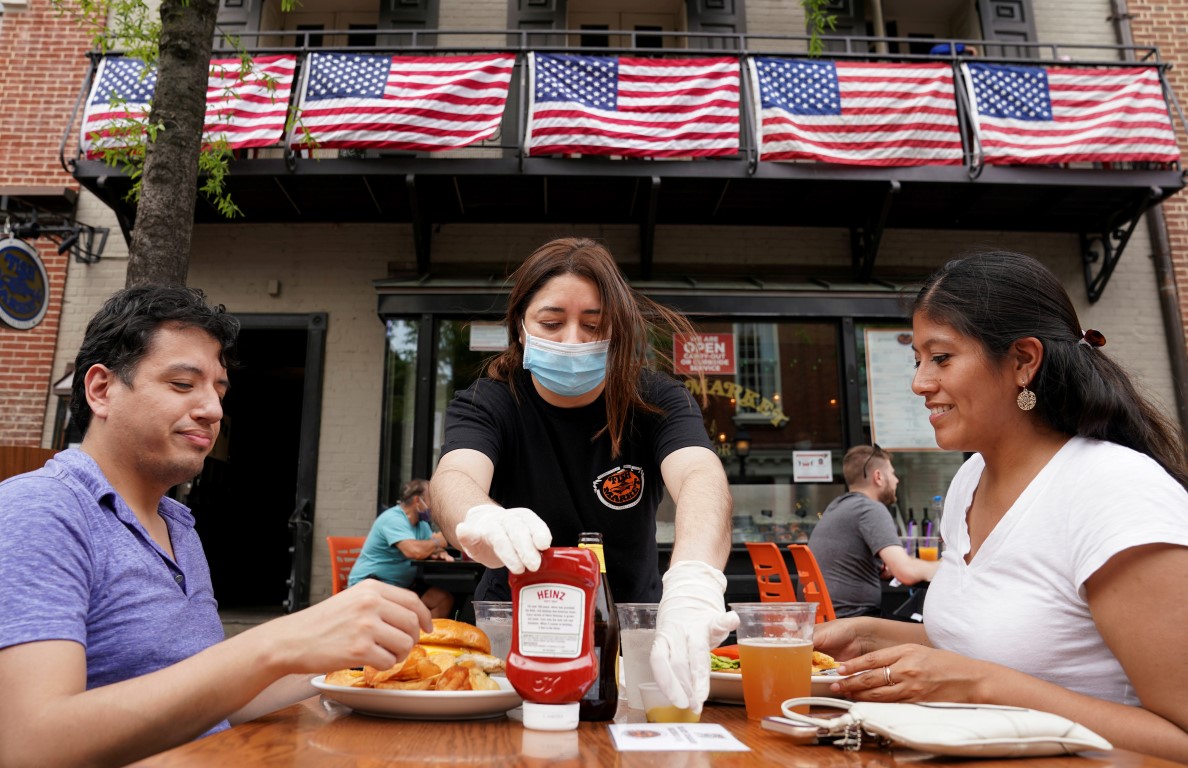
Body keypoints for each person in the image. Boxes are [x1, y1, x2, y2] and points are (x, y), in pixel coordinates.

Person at [0, 285, 432, 768]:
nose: (214, 410)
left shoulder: (176, 524)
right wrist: (274, 643)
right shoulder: (39, 509)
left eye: (219, 390)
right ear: (102, 389)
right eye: (183, 385)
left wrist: (345, 652)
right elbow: (29, 744)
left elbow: (207, 702)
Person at [813, 251, 1188, 762]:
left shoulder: (1115, 490)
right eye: (917, 360)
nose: (920, 382)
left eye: (941, 358)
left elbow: (1179, 739)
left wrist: (980, 686)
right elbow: (996, 646)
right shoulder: (970, 480)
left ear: (1022, 362)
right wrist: (865, 635)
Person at [430, 237, 737, 713]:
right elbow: (454, 476)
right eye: (551, 323)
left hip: (632, 637)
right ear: (520, 326)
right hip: (513, 630)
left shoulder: (656, 401)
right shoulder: (487, 402)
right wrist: (481, 517)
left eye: (594, 326)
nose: (572, 341)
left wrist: (695, 582)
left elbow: (701, 477)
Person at [809, 445, 938, 617]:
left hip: (826, 620)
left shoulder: (835, 508)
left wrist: (877, 565)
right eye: (892, 473)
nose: (896, 480)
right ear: (878, 477)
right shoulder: (869, 509)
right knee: (927, 633)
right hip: (853, 622)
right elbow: (907, 572)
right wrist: (947, 565)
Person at [349, 478, 456, 618]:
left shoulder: (421, 523)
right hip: (372, 584)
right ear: (418, 500)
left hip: (401, 585)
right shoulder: (393, 519)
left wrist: (439, 552)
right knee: (408, 606)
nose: (434, 506)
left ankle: (424, 639)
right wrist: (437, 541)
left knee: (442, 599)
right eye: (432, 500)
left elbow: (429, 547)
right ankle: (408, 638)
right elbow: (415, 551)